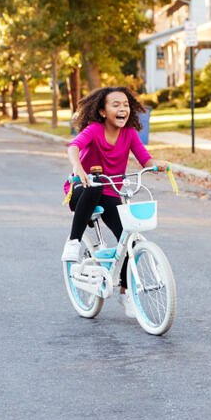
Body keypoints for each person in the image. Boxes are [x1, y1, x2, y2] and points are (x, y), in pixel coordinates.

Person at [61, 86, 168, 317]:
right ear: (102, 111)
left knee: (128, 236)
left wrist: (156, 165)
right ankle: (73, 241)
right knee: (95, 182)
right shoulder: (94, 129)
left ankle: (125, 291)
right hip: (82, 189)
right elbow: (73, 146)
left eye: (126, 105)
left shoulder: (129, 134)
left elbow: (144, 159)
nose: (123, 109)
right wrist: (78, 167)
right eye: (116, 105)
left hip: (109, 193)